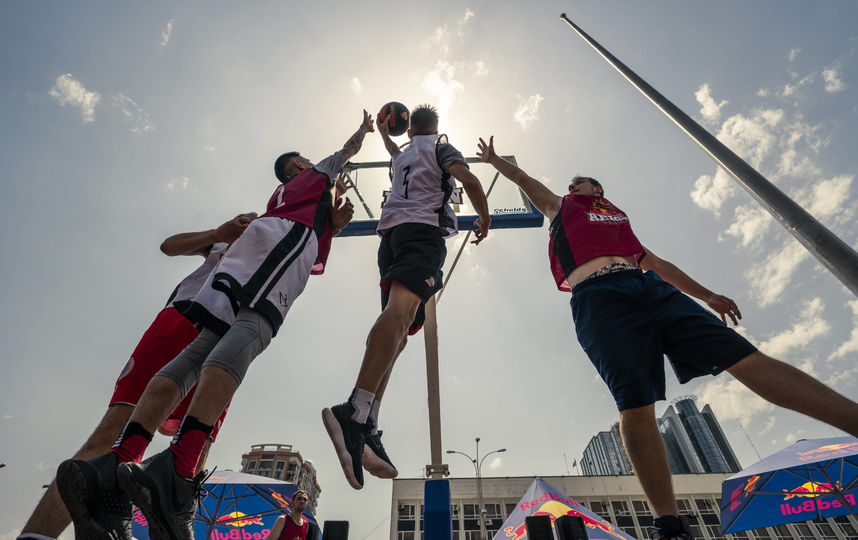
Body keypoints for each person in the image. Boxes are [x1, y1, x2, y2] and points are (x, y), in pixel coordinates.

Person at [476, 135, 858, 540]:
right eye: (570, 184)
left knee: (747, 359)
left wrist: (708, 295)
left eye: (579, 183)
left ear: (598, 189)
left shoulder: (616, 217)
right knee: (636, 404)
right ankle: (670, 523)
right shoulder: (561, 207)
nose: (572, 187)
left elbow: (655, 262)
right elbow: (528, 181)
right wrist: (496, 160)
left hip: (648, 288)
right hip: (599, 298)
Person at [56, 110, 370, 540]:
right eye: (307, 158)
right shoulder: (312, 177)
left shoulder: (285, 198)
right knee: (252, 332)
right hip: (281, 243)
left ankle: (117, 463)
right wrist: (363, 132)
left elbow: (317, 240)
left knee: (203, 347)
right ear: (298, 164)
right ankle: (178, 471)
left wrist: (331, 224)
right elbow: (345, 153)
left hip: (254, 249)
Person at [18, 214, 255, 540]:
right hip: (187, 315)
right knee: (114, 430)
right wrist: (218, 232)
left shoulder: (283, 242)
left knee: (194, 457)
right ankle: (37, 535)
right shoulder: (227, 241)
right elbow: (169, 246)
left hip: (232, 339)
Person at [323, 104, 492, 490]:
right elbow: (469, 180)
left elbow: (392, 150)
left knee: (399, 334)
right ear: (437, 128)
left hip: (393, 238)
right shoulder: (440, 148)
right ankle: (352, 410)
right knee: (399, 316)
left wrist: (381, 132)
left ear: (408, 128)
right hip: (421, 233)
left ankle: (367, 420)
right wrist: (485, 216)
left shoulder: (403, 156)